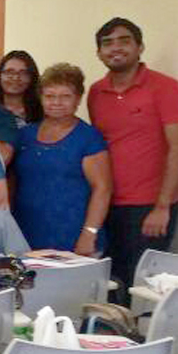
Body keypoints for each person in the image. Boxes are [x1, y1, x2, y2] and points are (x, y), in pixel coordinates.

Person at [86, 17, 178, 292]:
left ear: (140, 47)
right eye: (107, 43)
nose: (115, 48)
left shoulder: (167, 88)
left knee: (142, 286)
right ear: (99, 52)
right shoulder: (96, 92)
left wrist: (162, 207)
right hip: (107, 204)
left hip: (149, 207)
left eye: (124, 41)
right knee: (110, 283)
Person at [12, 63, 112, 254]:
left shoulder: (88, 137)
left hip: (75, 237)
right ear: (41, 98)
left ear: (78, 99)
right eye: (50, 96)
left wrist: (89, 233)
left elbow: (103, 189)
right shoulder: (25, 135)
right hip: (27, 233)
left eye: (66, 96)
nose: (57, 102)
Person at [0, 50, 44, 130]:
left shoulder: (43, 110)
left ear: (32, 77)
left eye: (23, 73)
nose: (15, 78)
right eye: (9, 72)